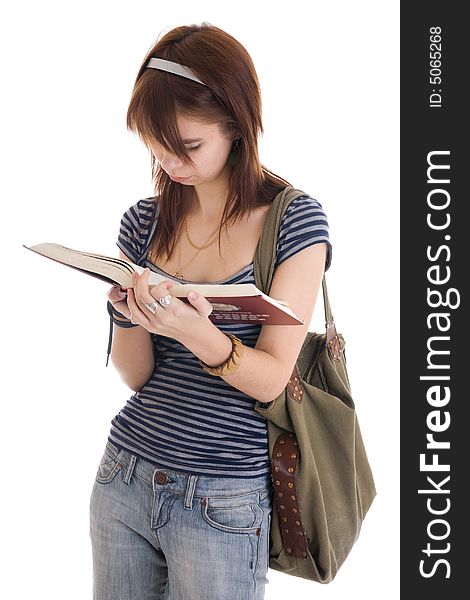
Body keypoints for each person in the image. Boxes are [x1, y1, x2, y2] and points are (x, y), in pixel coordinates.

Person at [89, 22, 332, 600]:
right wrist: (127, 312)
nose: (169, 161)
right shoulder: (142, 222)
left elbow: (273, 378)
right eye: (155, 144)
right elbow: (137, 376)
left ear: (237, 125)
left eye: (189, 146)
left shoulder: (295, 223)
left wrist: (200, 335)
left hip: (221, 496)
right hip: (124, 475)